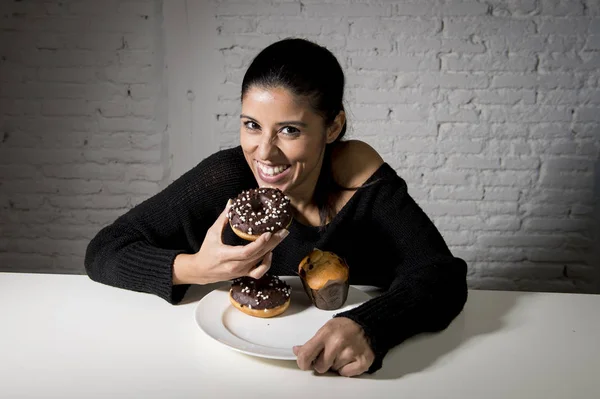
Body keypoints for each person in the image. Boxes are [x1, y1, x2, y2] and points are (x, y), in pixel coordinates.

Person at [85, 37, 468, 377]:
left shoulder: (360, 178)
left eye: (290, 130)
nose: (264, 152)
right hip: (238, 373)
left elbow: (442, 275)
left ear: (332, 128)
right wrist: (196, 269)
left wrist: (371, 326)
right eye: (252, 125)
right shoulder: (229, 176)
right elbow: (105, 248)